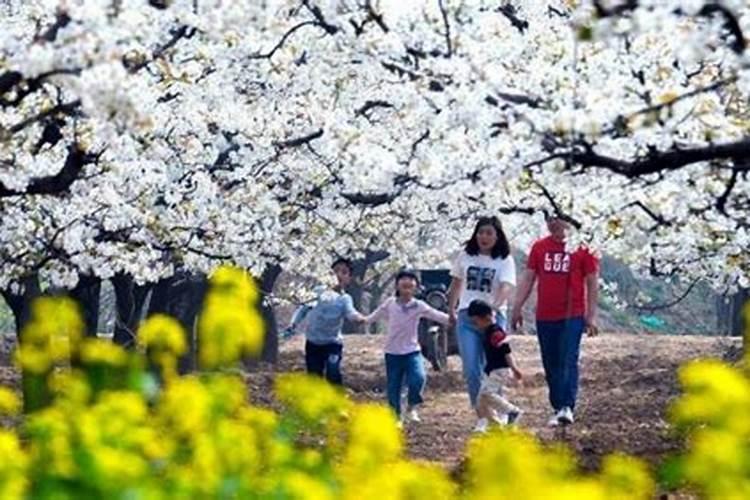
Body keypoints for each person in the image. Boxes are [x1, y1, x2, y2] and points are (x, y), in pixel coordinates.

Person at [510, 215, 599, 426]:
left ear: (567, 219)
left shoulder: (583, 248)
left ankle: (566, 406)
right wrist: (517, 306)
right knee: (550, 362)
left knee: (568, 358)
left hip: (573, 314)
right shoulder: (539, 247)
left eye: (555, 218)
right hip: (545, 315)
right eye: (548, 219)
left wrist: (591, 315)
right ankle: (557, 405)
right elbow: (529, 278)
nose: (551, 223)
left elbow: (592, 283)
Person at [447, 216, 516, 430]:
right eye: (481, 232)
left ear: (497, 237)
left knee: (494, 366)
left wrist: (494, 307)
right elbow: (456, 284)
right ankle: (483, 416)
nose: (484, 237)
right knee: (471, 369)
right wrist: (451, 309)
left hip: (493, 318)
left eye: (489, 233)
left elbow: (506, 286)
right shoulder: (465, 255)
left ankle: (501, 411)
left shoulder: (504, 259)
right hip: (468, 316)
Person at [366, 270, 450, 424]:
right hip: (392, 353)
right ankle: (396, 416)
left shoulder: (418, 305)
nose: (407, 283)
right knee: (394, 386)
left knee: (418, 378)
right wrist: (362, 319)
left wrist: (455, 320)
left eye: (411, 281)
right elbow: (373, 316)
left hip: (412, 351)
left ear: (416, 288)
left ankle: (412, 407)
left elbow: (437, 315)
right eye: (403, 280)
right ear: (397, 285)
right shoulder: (390, 303)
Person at [287, 258, 367, 385]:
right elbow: (302, 309)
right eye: (335, 271)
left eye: (344, 272)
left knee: (333, 369)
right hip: (313, 343)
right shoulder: (317, 292)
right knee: (314, 377)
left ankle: (336, 396)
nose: (339, 275)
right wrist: (293, 324)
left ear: (349, 279)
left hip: (333, 343)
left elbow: (350, 312)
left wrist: (358, 318)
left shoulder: (344, 298)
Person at [467, 299, 524, 432]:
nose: (475, 326)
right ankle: (495, 424)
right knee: (480, 399)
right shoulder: (488, 331)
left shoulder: (496, 333)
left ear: (486, 318)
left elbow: (506, 352)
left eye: (476, 322)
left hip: (500, 369)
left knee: (487, 394)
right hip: (492, 370)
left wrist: (514, 368)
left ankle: (512, 411)